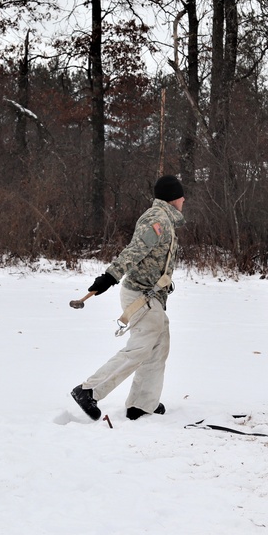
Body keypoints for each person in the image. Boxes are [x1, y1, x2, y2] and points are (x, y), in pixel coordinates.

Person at [71, 175, 187, 421]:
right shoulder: (156, 220)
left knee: (158, 347)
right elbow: (135, 250)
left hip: (152, 296)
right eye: (181, 195)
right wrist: (110, 277)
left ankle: (142, 404)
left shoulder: (165, 219)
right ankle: (88, 390)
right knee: (139, 348)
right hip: (140, 294)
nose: (184, 200)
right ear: (174, 198)